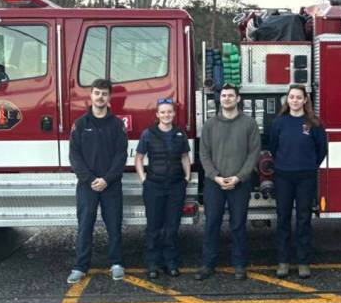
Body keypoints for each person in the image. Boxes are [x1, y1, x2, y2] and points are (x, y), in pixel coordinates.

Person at [197, 83, 261, 282]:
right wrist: (215, 176)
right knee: (211, 224)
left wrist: (238, 177)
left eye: (230, 96)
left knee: (238, 225)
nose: (227, 99)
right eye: (224, 96)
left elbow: (253, 154)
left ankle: (240, 265)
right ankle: (208, 264)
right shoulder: (209, 125)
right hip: (214, 184)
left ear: (238, 99)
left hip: (239, 184)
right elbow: (203, 154)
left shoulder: (249, 124)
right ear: (220, 99)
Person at [66, 79, 128, 284]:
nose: (100, 97)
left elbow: (121, 156)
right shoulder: (81, 124)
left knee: (114, 225)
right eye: (96, 93)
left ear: (109, 98)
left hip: (111, 185)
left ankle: (116, 263)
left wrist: (107, 179)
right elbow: (75, 156)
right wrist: (91, 179)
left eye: (104, 94)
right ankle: (80, 267)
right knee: (85, 226)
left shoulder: (117, 125)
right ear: (90, 96)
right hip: (87, 186)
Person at [268, 84, 328, 279]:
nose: (294, 100)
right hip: (283, 176)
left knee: (304, 220)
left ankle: (303, 262)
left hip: (306, 178)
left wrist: (309, 165)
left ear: (305, 100)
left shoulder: (314, 123)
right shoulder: (279, 122)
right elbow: (273, 147)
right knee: (283, 219)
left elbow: (322, 150)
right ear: (288, 100)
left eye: (298, 97)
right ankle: (283, 262)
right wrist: (284, 164)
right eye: (291, 97)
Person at [134, 98, 191, 280]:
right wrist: (144, 179)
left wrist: (187, 177)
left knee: (172, 226)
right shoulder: (148, 134)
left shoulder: (180, 134)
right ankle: (152, 263)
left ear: (174, 114)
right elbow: (139, 158)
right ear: (157, 115)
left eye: (170, 112)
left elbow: (184, 157)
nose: (167, 115)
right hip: (154, 186)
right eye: (163, 112)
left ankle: (171, 262)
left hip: (175, 186)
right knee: (154, 226)